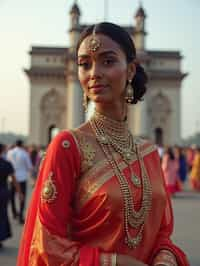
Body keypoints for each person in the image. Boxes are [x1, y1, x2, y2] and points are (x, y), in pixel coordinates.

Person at [17, 22, 189, 266]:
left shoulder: (149, 153)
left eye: (107, 61)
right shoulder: (68, 147)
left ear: (130, 70)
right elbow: (46, 246)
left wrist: (165, 258)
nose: (94, 73)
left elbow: (162, 233)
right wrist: (117, 262)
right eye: (84, 64)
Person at [0, 143, 22, 249]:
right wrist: (20, 192)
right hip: (3, 192)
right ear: (2, 151)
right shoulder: (7, 163)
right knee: (3, 214)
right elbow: (14, 180)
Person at [7, 139, 33, 224]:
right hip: (22, 178)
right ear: (21, 145)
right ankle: (21, 216)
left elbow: (7, 163)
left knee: (12, 196)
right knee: (22, 196)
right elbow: (29, 167)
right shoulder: (24, 153)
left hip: (11, 178)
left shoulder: (10, 152)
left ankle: (14, 212)